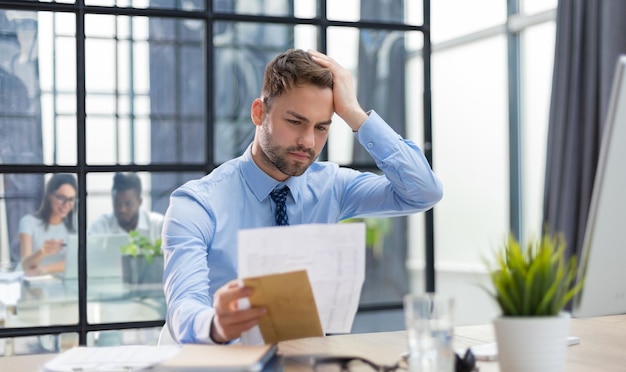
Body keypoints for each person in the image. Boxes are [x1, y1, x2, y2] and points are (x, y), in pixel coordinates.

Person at [162, 49, 443, 344]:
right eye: (295, 122)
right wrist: (216, 325)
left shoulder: (332, 186)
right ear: (259, 113)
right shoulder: (197, 204)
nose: (308, 142)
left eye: (321, 127)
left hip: (310, 371)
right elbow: (184, 305)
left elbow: (424, 192)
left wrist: (355, 114)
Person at [18, 173, 77, 276]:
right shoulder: (28, 223)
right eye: (61, 198)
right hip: (30, 282)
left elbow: (77, 262)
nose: (66, 205)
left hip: (59, 284)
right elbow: (25, 265)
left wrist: (46, 268)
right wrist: (42, 252)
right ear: (49, 196)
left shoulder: (74, 227)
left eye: (71, 199)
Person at [88, 172, 164, 243]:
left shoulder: (158, 225)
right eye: (117, 204)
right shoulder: (101, 227)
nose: (122, 209)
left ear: (139, 202)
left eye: (128, 204)